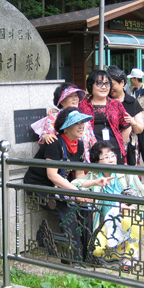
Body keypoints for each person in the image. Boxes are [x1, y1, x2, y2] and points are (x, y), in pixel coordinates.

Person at [24, 107, 111, 264]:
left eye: (82, 122)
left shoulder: (78, 144)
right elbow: (52, 175)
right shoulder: (54, 143)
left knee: (86, 210)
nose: (81, 126)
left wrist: (90, 188)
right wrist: (77, 193)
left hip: (61, 187)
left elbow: (78, 176)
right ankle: (73, 259)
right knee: (69, 212)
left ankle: (91, 255)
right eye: (76, 123)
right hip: (40, 186)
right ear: (65, 126)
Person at [70, 141, 144, 269]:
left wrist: (131, 206)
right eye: (106, 157)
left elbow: (143, 196)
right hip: (108, 223)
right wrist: (94, 183)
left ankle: (130, 257)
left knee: (128, 219)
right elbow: (74, 184)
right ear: (97, 162)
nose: (111, 160)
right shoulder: (94, 176)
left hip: (133, 218)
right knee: (96, 249)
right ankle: (117, 252)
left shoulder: (127, 174)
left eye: (113, 155)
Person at [79, 70, 131, 165]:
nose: (104, 87)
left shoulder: (117, 104)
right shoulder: (82, 106)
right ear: (91, 85)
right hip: (92, 151)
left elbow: (126, 127)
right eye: (99, 83)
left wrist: (120, 145)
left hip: (114, 151)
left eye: (107, 83)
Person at [34, 83, 97, 162]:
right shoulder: (54, 117)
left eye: (76, 95)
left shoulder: (83, 117)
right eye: (70, 96)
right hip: (64, 163)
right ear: (61, 101)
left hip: (84, 162)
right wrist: (46, 137)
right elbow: (46, 138)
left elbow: (93, 141)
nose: (75, 99)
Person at [106, 65, 144, 166]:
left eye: (112, 84)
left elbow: (140, 129)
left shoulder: (132, 102)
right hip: (108, 147)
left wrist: (133, 123)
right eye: (107, 84)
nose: (109, 88)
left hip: (129, 148)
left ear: (122, 83)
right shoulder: (104, 101)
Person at [127, 68, 144, 167]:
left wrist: (137, 108)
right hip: (135, 124)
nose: (130, 80)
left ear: (135, 79)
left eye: (131, 78)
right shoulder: (132, 90)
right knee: (134, 146)